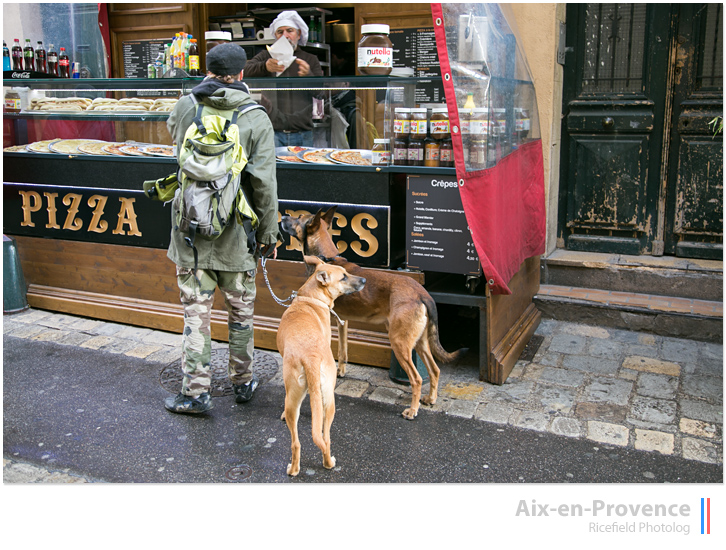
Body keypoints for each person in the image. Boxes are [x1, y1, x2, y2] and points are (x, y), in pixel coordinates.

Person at [164, 42, 279, 414]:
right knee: (241, 313)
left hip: (190, 233)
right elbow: (263, 182)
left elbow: (176, 143)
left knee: (195, 314)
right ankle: (243, 382)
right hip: (237, 234)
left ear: (207, 70)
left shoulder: (185, 106)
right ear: (242, 73)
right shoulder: (255, 116)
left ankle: (195, 393)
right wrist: (268, 235)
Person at [244, 10, 324, 147]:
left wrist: (309, 76)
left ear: (298, 34)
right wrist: (264, 67)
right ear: (275, 36)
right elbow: (243, 71)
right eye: (280, 32)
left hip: (303, 133)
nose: (285, 35)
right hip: (271, 132)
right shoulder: (266, 56)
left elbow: (321, 93)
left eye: (289, 30)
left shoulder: (310, 59)